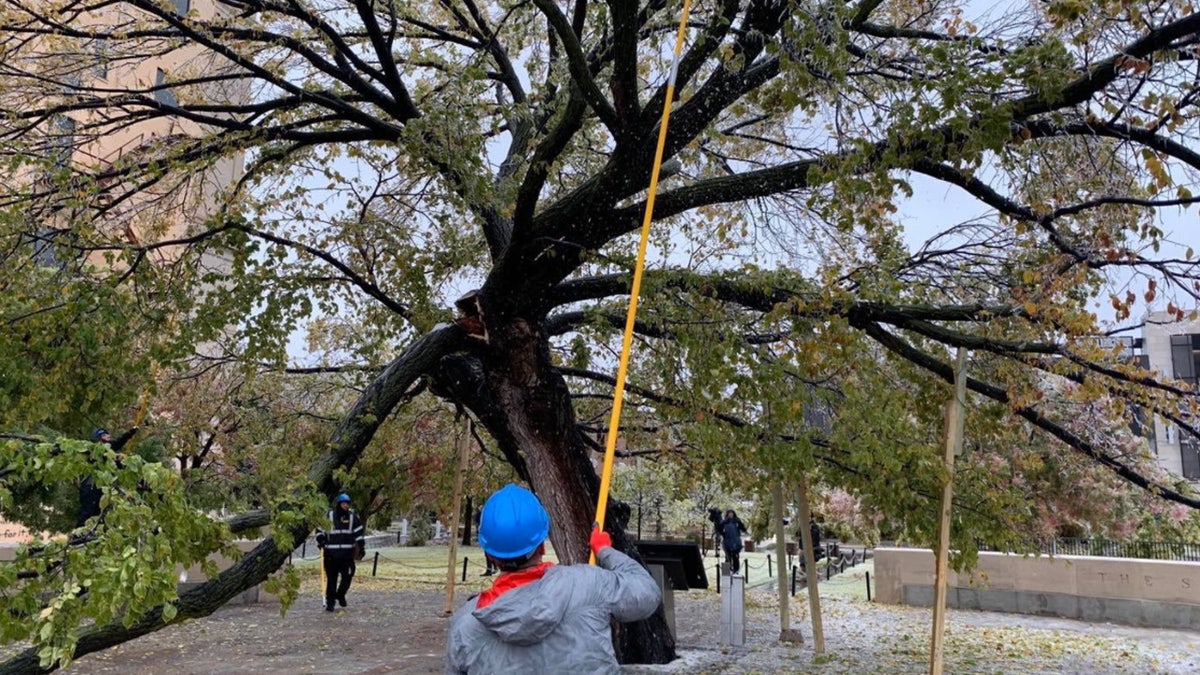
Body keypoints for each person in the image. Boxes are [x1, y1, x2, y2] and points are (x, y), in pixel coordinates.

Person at [445, 484, 661, 674]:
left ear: (490, 554)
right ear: (541, 544)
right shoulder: (588, 584)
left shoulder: (466, 626)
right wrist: (604, 550)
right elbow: (647, 594)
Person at [76, 427, 138, 527]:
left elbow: (119, 442)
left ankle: (94, 534)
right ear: (98, 438)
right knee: (87, 511)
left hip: (101, 487)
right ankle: (78, 535)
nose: (108, 436)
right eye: (104, 435)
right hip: (89, 486)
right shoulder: (91, 449)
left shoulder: (110, 451)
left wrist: (130, 433)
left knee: (100, 511)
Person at [315, 493, 365, 611]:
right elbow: (319, 530)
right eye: (344, 503)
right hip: (331, 554)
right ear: (338, 504)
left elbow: (359, 533)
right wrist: (321, 540)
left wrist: (362, 547)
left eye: (347, 504)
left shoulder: (353, 517)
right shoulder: (329, 516)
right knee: (332, 580)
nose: (346, 506)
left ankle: (341, 594)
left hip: (347, 555)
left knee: (348, 576)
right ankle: (330, 603)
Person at [719, 509, 747, 574]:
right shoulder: (724, 522)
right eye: (729, 513)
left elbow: (743, 528)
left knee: (735, 557)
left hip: (736, 542)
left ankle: (736, 571)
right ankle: (725, 573)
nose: (730, 514)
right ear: (727, 514)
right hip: (727, 542)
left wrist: (742, 526)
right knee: (727, 557)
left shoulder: (737, 521)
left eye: (732, 513)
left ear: (734, 514)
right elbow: (720, 530)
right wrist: (723, 534)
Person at [474, 506, 496, 576]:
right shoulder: (481, 515)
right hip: (485, 535)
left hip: (488, 536)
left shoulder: (488, 516)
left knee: (489, 553)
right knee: (488, 554)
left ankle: (491, 568)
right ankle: (490, 569)